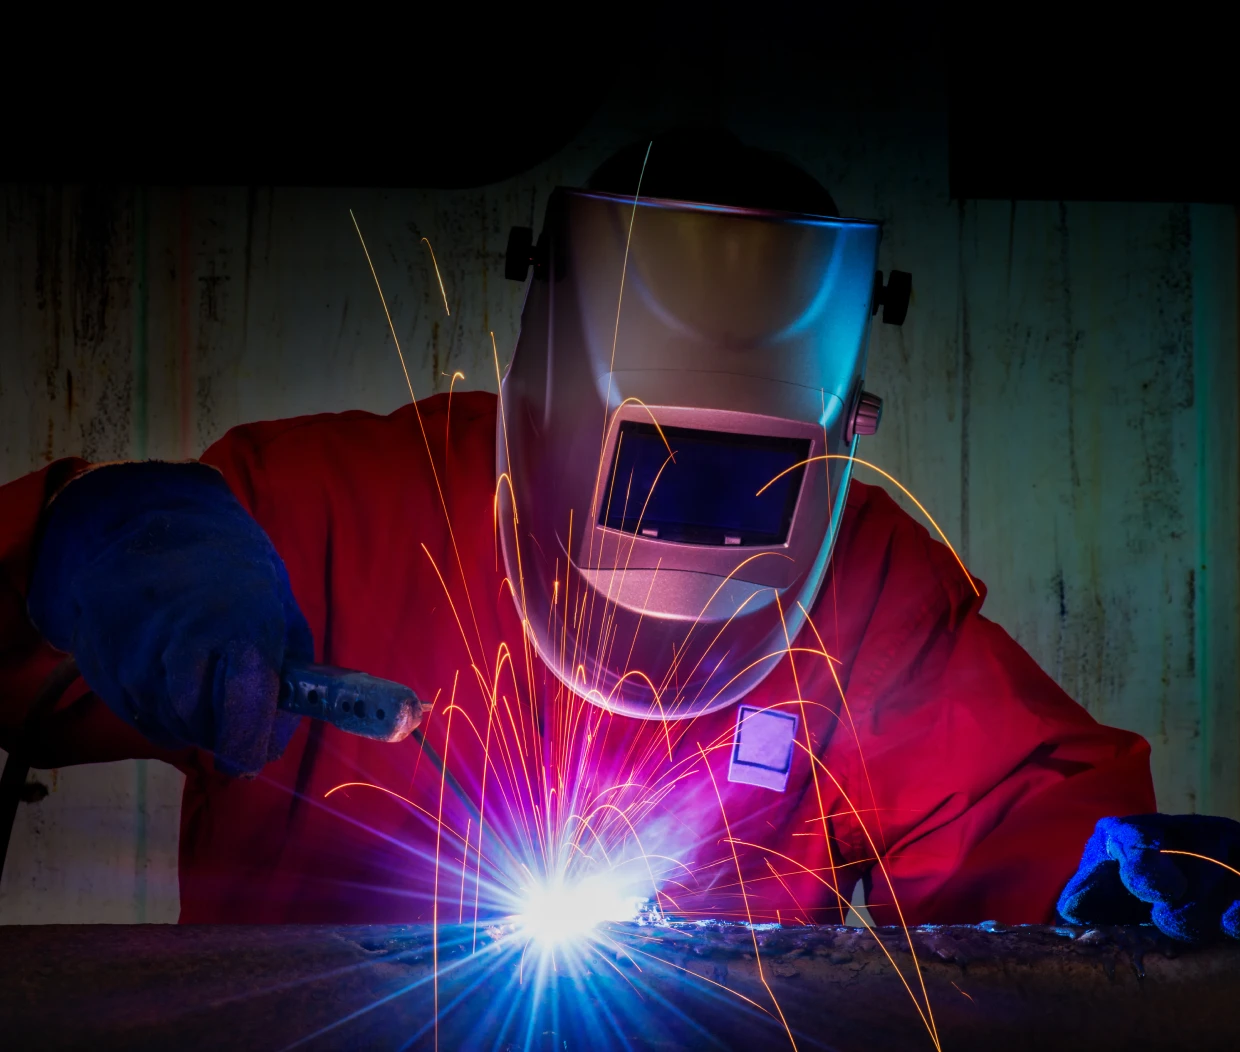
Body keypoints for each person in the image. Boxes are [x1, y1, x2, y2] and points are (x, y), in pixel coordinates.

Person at [2, 130, 1236, 941]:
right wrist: (73, 549)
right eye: (650, 466)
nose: (691, 527)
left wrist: (1101, 895)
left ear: (838, 429)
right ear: (546, 404)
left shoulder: (859, 590)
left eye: (753, 478)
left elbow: (1015, 817)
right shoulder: (318, 508)